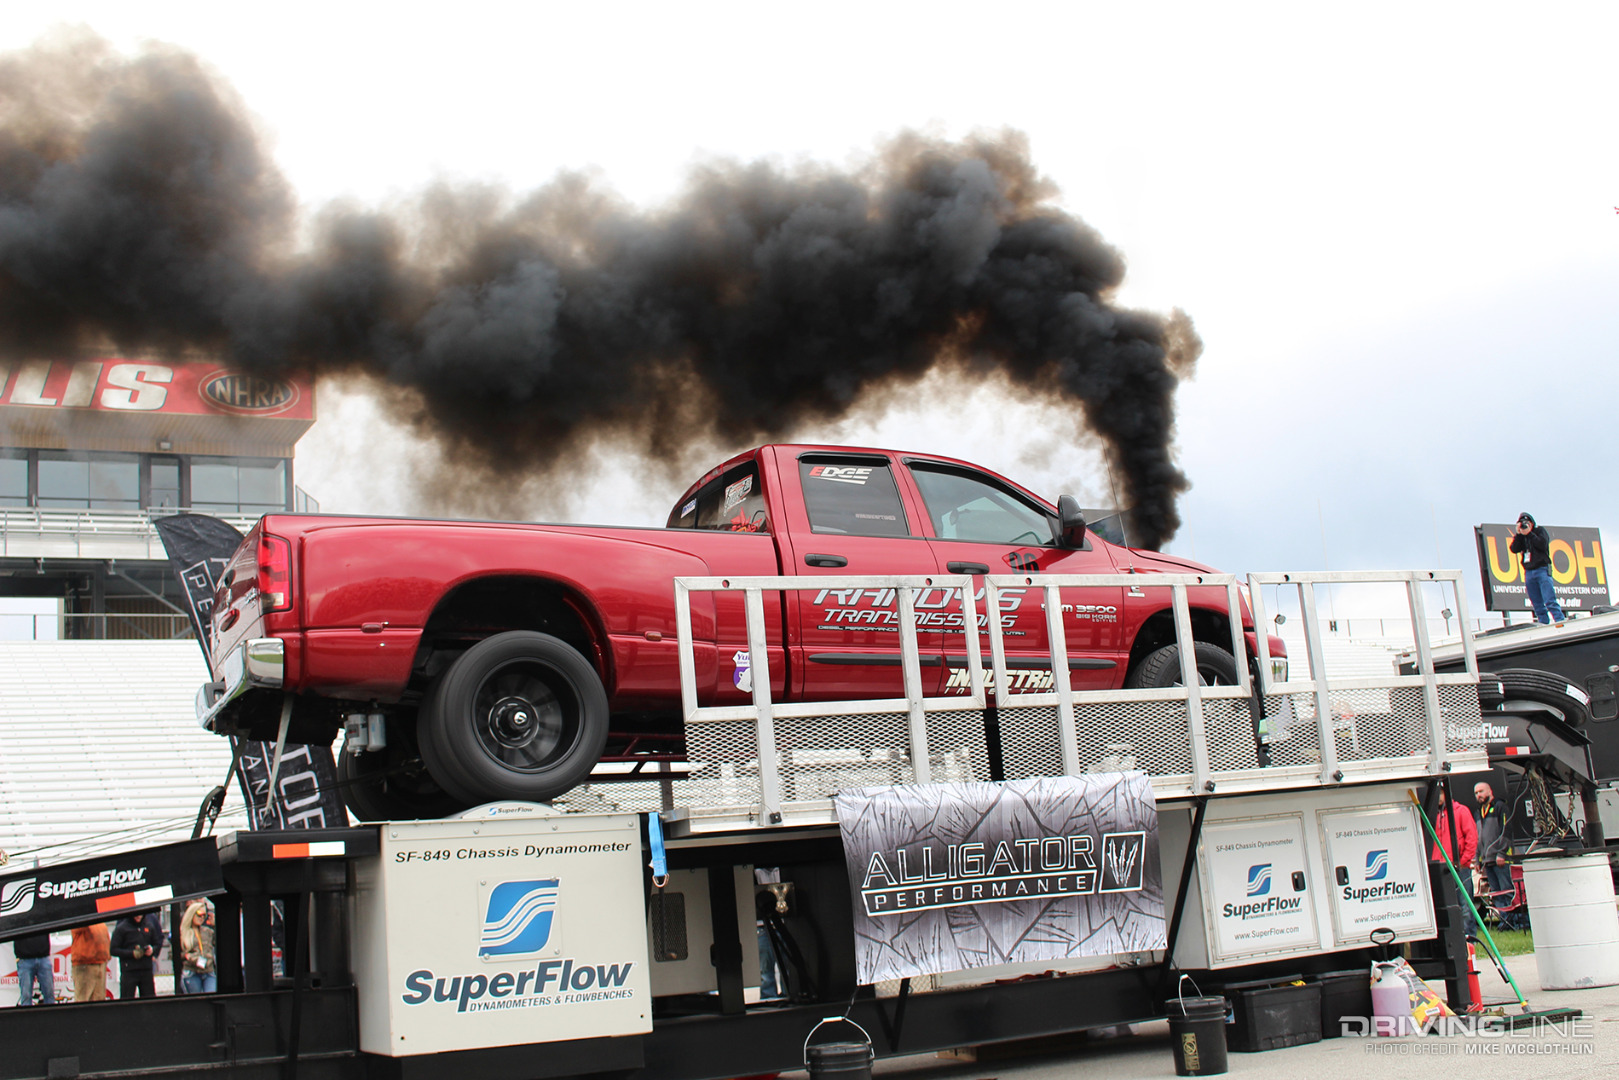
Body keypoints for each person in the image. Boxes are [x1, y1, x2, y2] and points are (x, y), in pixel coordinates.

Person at [1430, 786, 1479, 937]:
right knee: (1445, 905)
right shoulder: (1433, 815)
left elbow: (1472, 837)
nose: (1438, 797)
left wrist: (1464, 860)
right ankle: (1454, 936)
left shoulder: (1460, 811)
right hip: (1441, 867)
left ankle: (1469, 938)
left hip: (1459, 867)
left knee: (1464, 905)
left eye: (1441, 793)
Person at [1475, 782, 1524, 930]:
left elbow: (1506, 830)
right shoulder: (1478, 812)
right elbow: (1478, 838)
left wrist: (1502, 853)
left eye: (1481, 791)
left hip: (1500, 859)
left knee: (1507, 891)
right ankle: (1505, 922)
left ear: (1490, 791)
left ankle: (1515, 922)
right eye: (1476, 793)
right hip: (1487, 860)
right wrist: (1478, 859)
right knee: (1496, 894)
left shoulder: (1500, 807)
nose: (1479, 795)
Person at [1509, 513, 1566, 624]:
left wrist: (1530, 534)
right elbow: (1514, 549)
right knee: (1536, 603)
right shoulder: (1522, 537)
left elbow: (1542, 544)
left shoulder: (1539, 531)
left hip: (1542, 569)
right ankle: (1543, 622)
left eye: (1527, 523)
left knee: (1549, 599)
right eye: (1522, 524)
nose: (1525, 526)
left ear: (1532, 523)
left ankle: (1559, 620)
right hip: (1529, 572)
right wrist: (1519, 534)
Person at [111, 910, 165, 999]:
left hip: (146, 969)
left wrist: (152, 950)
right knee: (127, 1000)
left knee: (149, 1000)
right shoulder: (122, 928)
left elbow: (157, 942)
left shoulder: (149, 925)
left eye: (140, 914)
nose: (138, 916)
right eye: (135, 914)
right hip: (129, 970)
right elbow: (113, 949)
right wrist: (131, 953)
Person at [180, 900, 217, 994]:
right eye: (199, 914)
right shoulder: (184, 932)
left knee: (211, 996)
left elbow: (219, 942)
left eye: (204, 915)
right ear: (192, 914)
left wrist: (214, 925)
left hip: (208, 970)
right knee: (196, 1002)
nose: (201, 918)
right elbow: (174, 954)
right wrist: (187, 956)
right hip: (192, 971)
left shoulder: (207, 931)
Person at [70, 921, 112, 1002]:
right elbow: (77, 927)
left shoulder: (100, 922)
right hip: (85, 964)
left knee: (99, 998)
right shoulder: (81, 917)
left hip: (101, 962)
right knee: (83, 999)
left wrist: (106, 953)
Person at [12, 931, 56, 1005]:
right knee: (26, 995)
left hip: (43, 956)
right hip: (24, 958)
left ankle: (51, 1016)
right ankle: (27, 1016)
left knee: (49, 992)